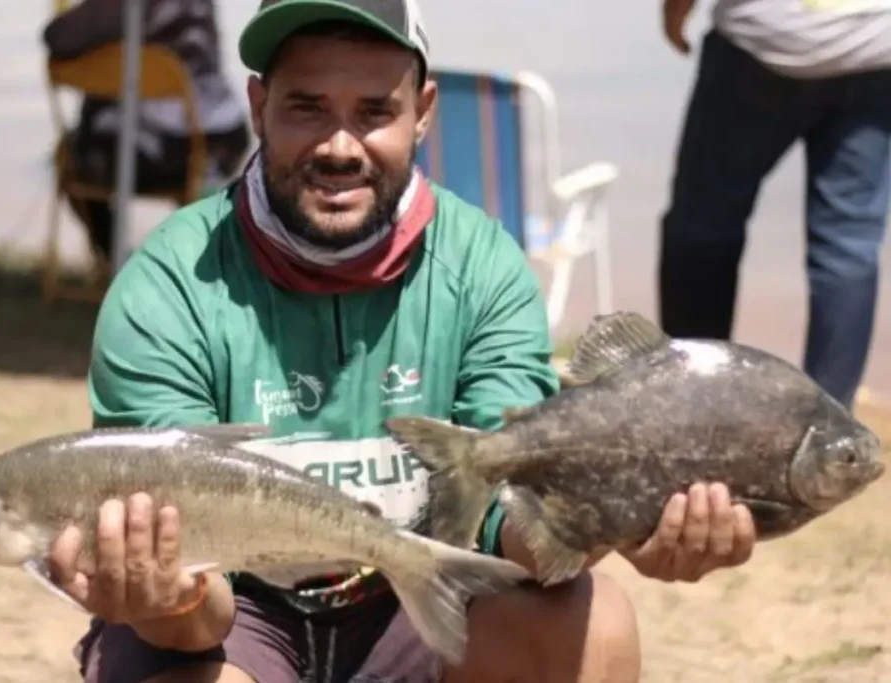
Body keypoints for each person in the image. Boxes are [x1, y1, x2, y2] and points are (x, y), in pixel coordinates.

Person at [47, 1, 758, 681]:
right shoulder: (169, 282)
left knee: (593, 623)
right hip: (240, 615)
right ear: (259, 106)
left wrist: (604, 521)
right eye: (307, 108)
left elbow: (510, 525)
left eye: (374, 112)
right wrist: (169, 601)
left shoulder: (484, 267)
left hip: (418, 595)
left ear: (422, 113)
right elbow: (199, 607)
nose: (339, 147)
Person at [657, 0, 891, 411]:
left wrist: (676, 10)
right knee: (849, 246)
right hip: (874, 47)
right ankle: (830, 425)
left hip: (763, 41)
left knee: (702, 228)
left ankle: (693, 401)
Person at [42, 0, 252, 267]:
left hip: (164, 149)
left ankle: (121, 265)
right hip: (224, 133)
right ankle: (193, 259)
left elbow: (59, 38)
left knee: (70, 158)